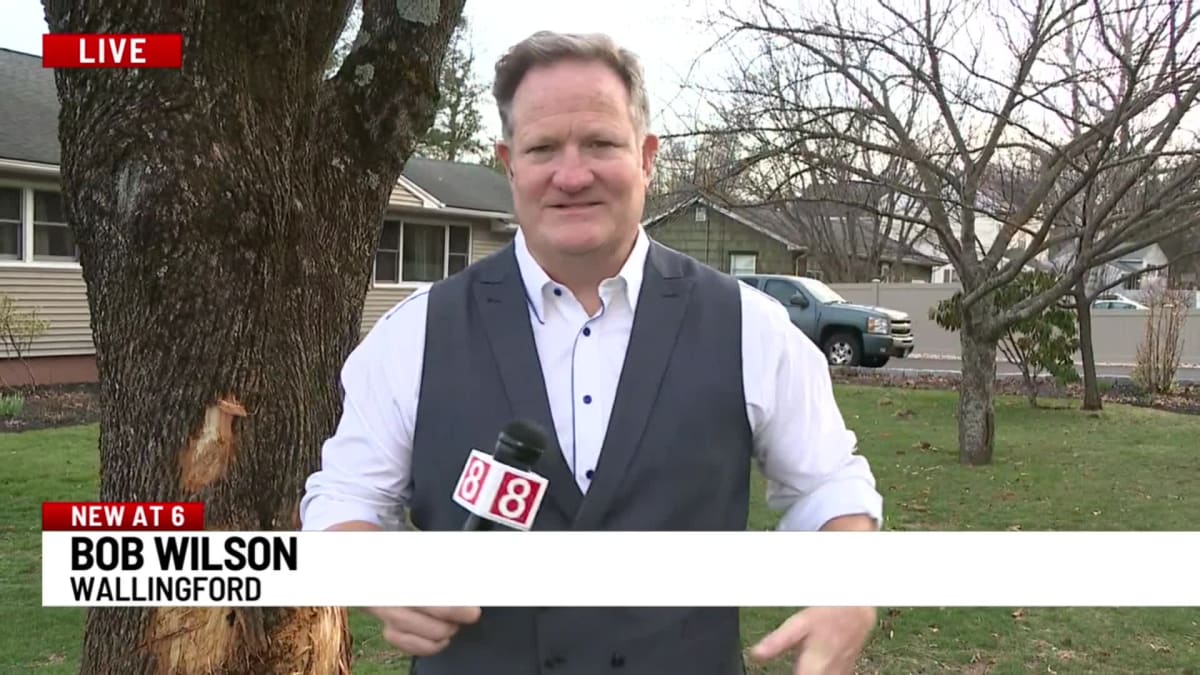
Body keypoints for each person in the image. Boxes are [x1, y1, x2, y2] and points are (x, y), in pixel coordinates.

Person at [300, 30, 884, 675]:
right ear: (509, 163)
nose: (572, 175)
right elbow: (344, 500)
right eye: (543, 147)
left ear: (647, 156)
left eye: (601, 144)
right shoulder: (416, 333)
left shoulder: (751, 326)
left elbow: (828, 482)